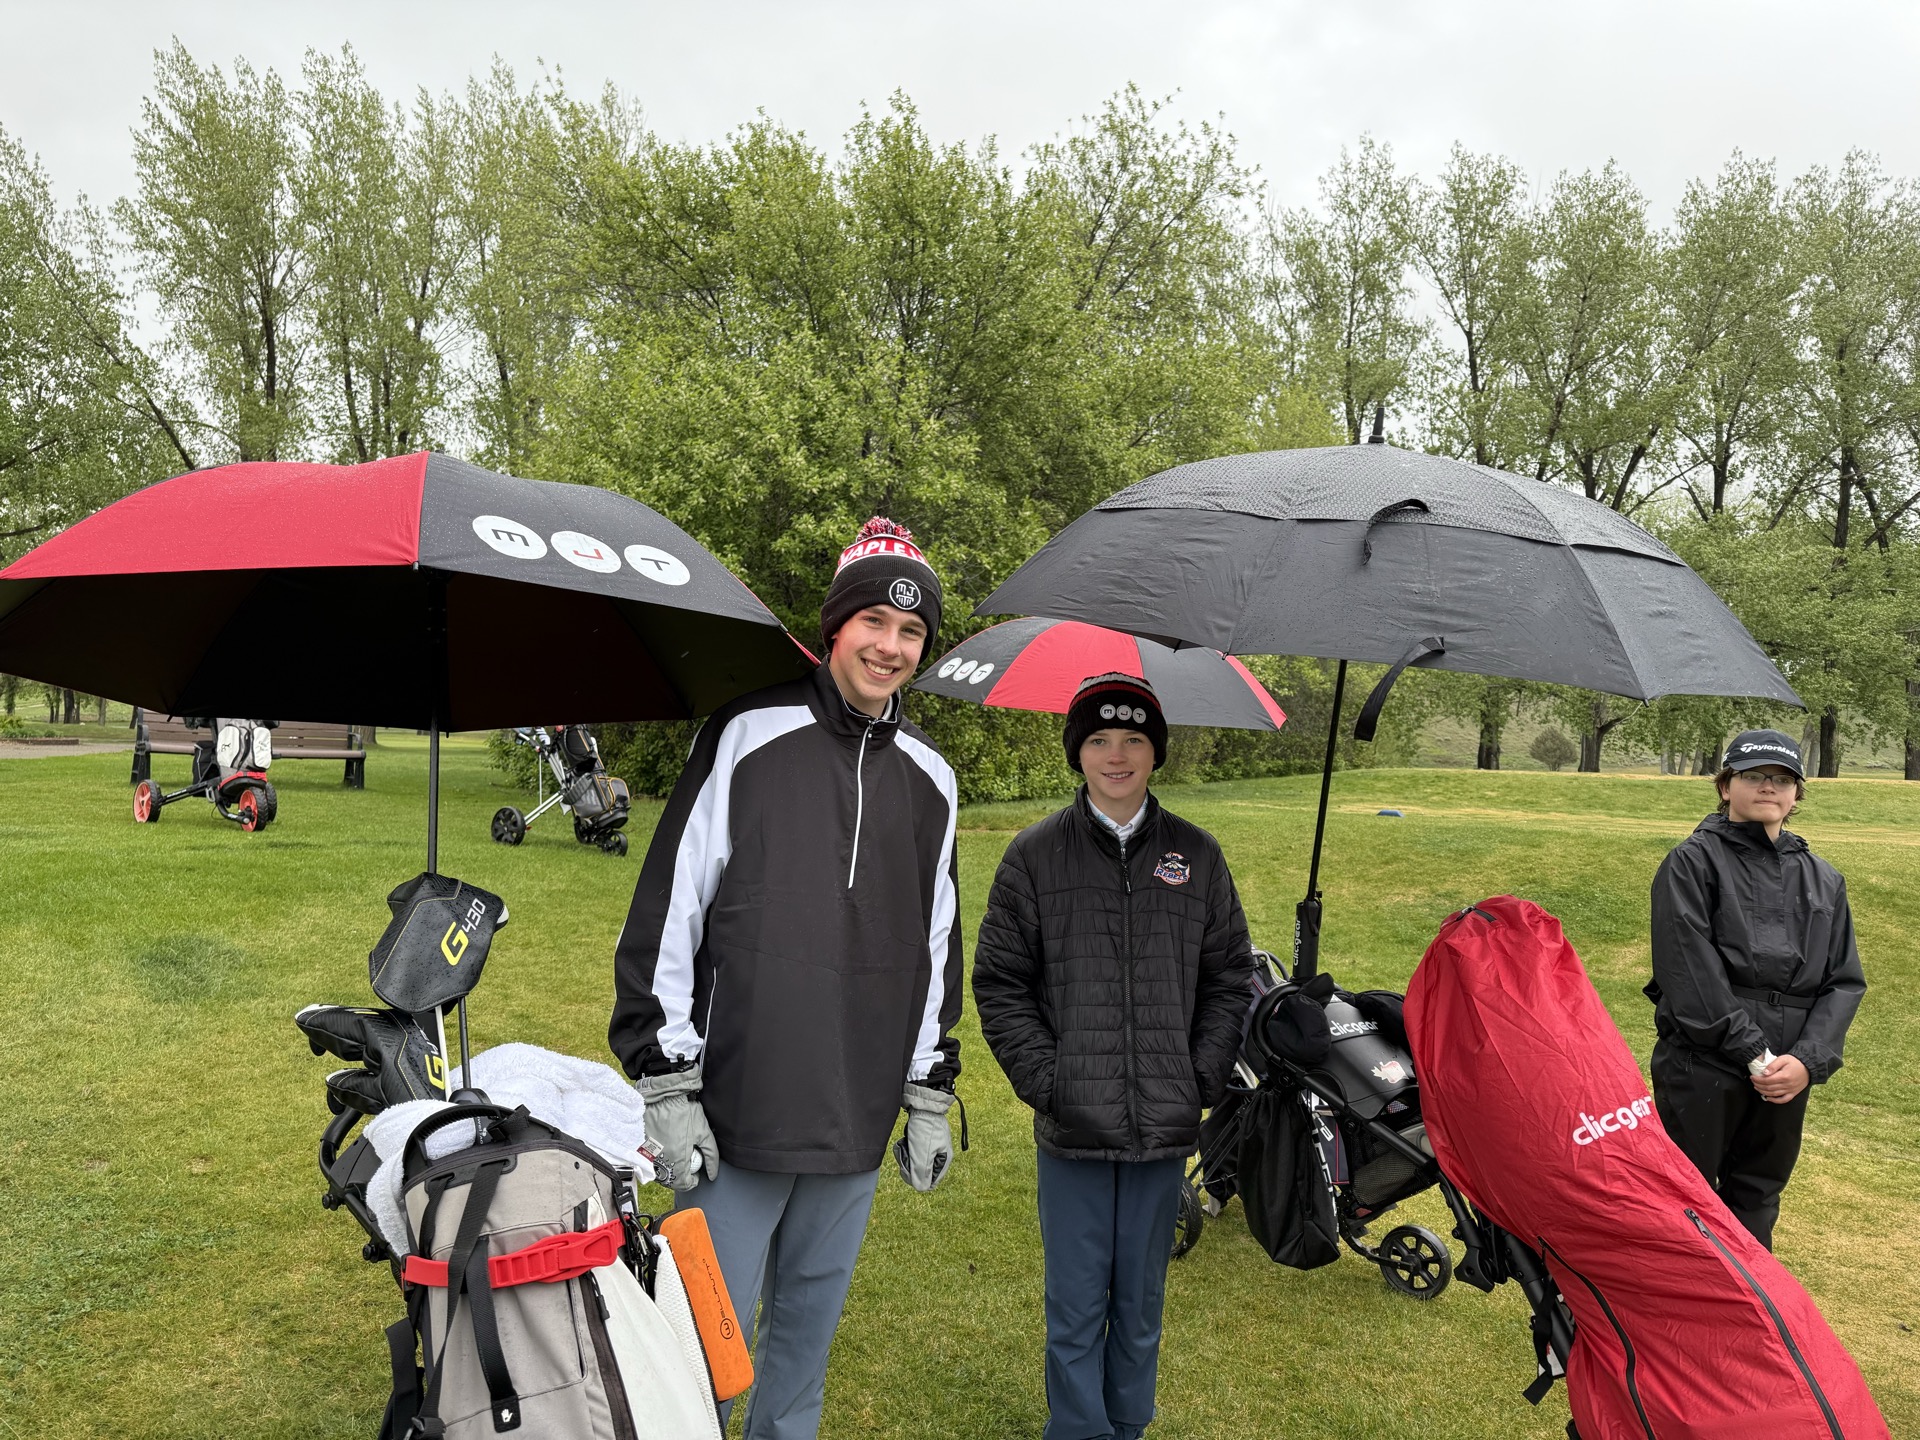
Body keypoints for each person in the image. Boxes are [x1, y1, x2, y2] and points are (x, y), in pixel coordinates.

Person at [610, 517, 964, 1440]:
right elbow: (672, 907)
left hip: (857, 1114)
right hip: (738, 1107)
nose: (890, 647)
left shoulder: (933, 776)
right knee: (702, 1352)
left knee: (803, 1353)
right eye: (874, 622)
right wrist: (664, 1074)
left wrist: (928, 1088)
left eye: (912, 631)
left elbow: (936, 943)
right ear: (836, 626)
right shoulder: (747, 731)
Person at [973, 673, 1253, 1440]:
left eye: (1133, 739)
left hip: (1163, 1128)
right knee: (1074, 1305)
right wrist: (1051, 1081)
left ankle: (1126, 1425)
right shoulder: (1034, 856)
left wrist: (1199, 1075)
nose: (1117, 756)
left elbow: (1230, 976)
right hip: (1074, 1128)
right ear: (1078, 753)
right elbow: (1000, 982)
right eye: (1098, 740)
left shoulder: (1196, 855)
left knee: (1139, 1302)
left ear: (1155, 752)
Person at [1646, 728, 1866, 1250]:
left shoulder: (1823, 878)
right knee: (1687, 1198)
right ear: (1726, 786)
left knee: (1757, 1194)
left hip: (1786, 1071)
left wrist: (1806, 1061)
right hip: (1705, 1059)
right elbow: (1688, 970)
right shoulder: (1692, 862)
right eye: (1753, 776)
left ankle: (1749, 1294)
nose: (1769, 787)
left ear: (1796, 794)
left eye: (1782, 779)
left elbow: (1843, 980)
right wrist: (1752, 1053)